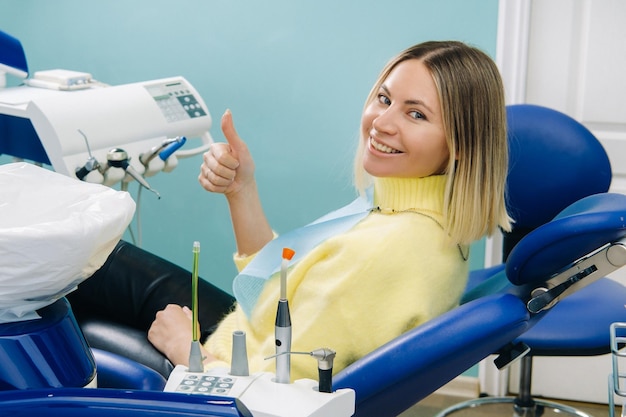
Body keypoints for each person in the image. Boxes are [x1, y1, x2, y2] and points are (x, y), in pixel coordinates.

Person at [146, 40, 512, 381]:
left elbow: (270, 392)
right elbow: (286, 285)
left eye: (416, 114)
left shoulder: (386, 251)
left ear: (462, 143)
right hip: (250, 332)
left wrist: (184, 348)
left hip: (218, 375)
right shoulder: (412, 219)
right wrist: (241, 191)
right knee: (110, 263)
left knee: (99, 273)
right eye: (384, 99)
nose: (381, 123)